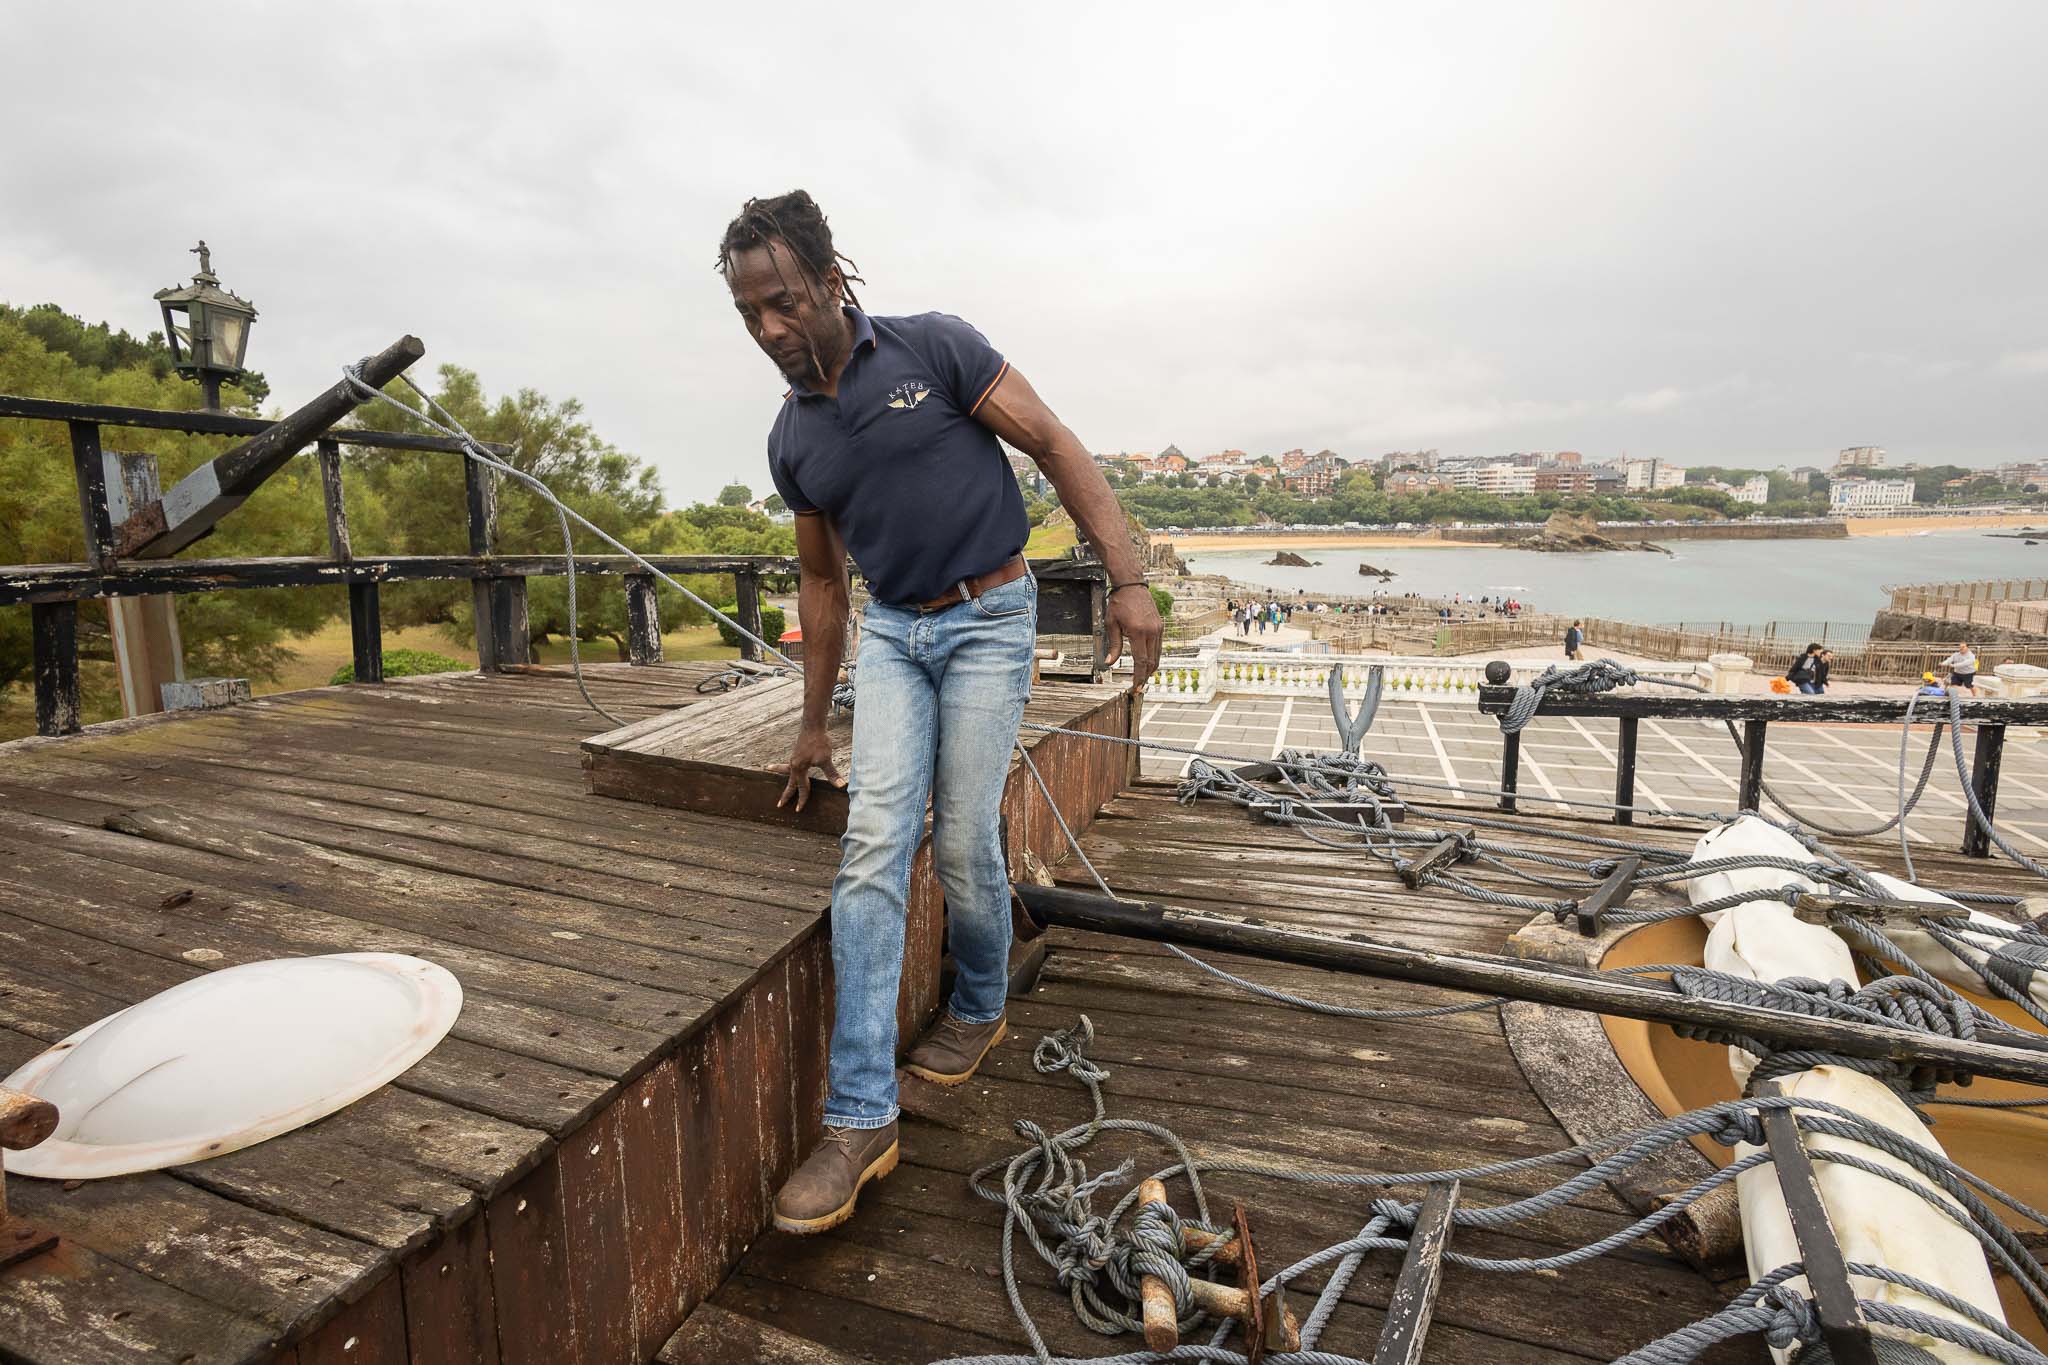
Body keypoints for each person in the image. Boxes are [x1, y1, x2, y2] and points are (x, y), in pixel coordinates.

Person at [720, 191, 1162, 1235]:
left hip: (989, 617)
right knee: (874, 841)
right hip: (892, 633)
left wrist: (1128, 579)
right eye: (749, 315)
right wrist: (809, 723)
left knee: (963, 839)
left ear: (831, 281)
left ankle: (977, 1004)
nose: (770, 330)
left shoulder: (936, 350)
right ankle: (859, 1118)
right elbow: (824, 589)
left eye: (781, 302)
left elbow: (1053, 443)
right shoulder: (792, 439)